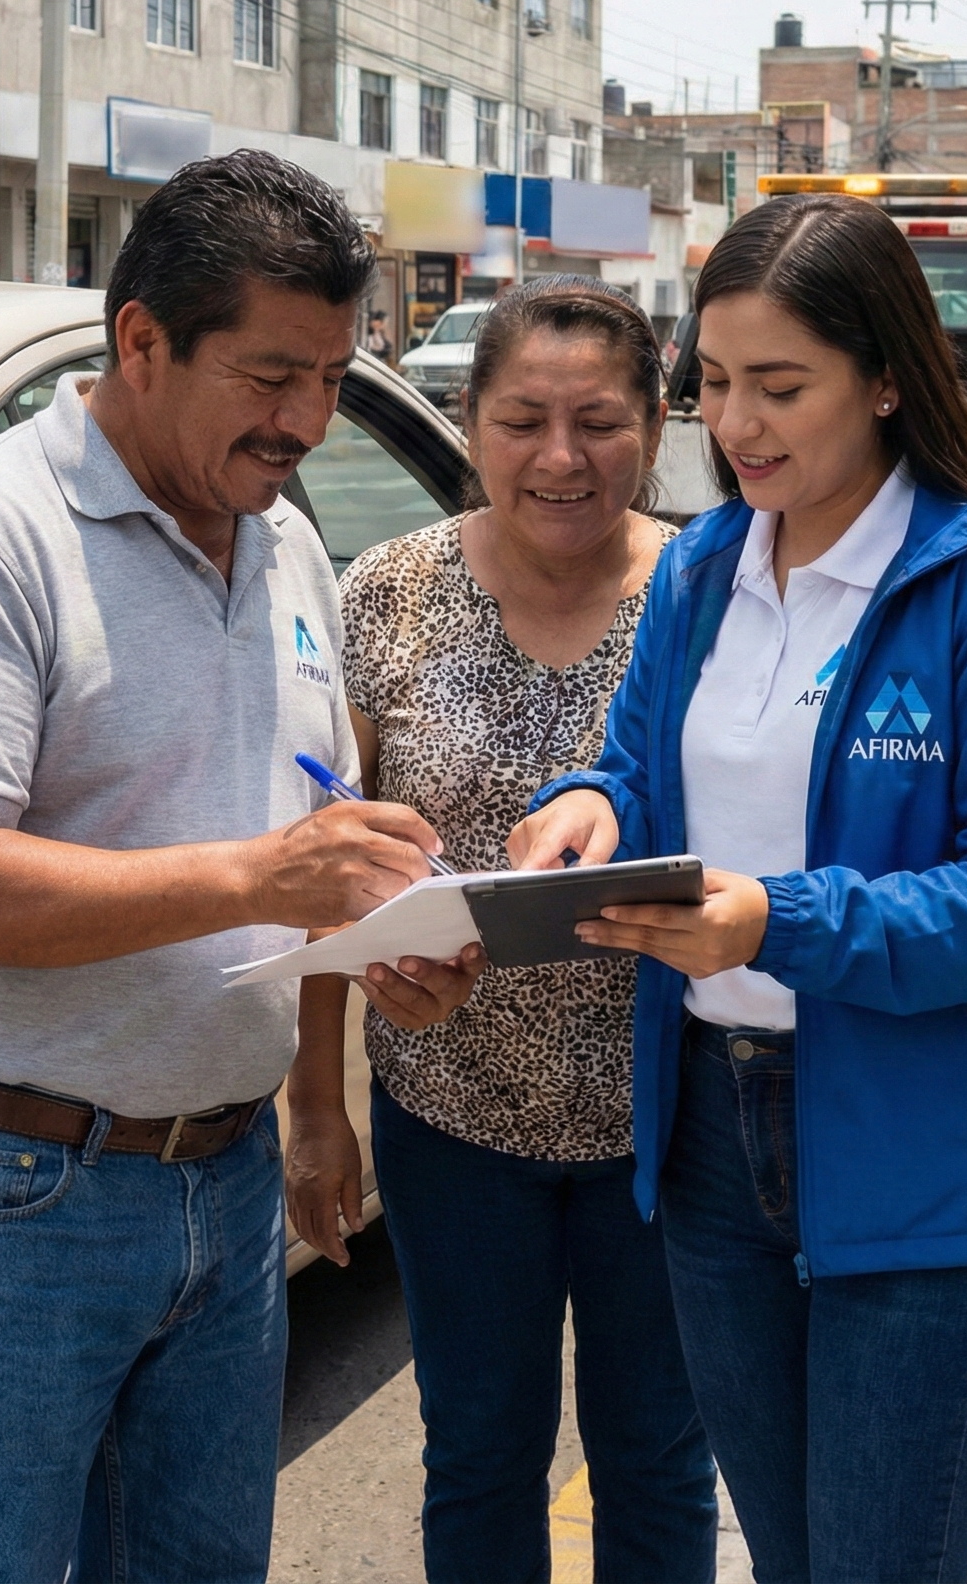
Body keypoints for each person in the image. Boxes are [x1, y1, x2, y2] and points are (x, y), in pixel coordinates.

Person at [0, 149, 484, 1584]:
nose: (307, 420)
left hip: (225, 1182)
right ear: (140, 341)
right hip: (0, 1194)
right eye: (270, 377)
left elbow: (294, 839)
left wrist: (379, 943)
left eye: (329, 376)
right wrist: (267, 878)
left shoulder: (287, 551)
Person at [509, 194, 967, 1584]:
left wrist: (780, 918)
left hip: (928, 1161)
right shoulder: (705, 568)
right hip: (712, 1138)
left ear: (888, 376)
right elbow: (640, 772)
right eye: (712, 386)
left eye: (781, 386)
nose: (737, 426)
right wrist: (585, 808)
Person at [288, 278, 719, 1584]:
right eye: (524, 418)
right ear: (470, 423)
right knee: (477, 1456)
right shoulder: (388, 595)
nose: (561, 456)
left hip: (674, 1125)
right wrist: (318, 1098)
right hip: (452, 1123)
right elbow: (331, 860)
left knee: (657, 1460)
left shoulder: (714, 590)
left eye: (599, 420)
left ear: (654, 426)